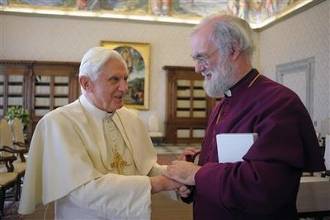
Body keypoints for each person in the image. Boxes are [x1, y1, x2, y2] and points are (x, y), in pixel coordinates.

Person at [165, 14, 325, 220]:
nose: (197, 68)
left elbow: (266, 188)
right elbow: (222, 169)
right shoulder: (223, 103)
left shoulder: (279, 103)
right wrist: (192, 183)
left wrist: (196, 174)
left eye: (201, 57)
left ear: (232, 49)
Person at [18, 47, 184, 219]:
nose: (125, 87)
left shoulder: (131, 119)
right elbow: (82, 189)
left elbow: (146, 169)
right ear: (86, 83)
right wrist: (159, 183)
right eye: (115, 80)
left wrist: (177, 175)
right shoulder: (58, 123)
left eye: (125, 79)